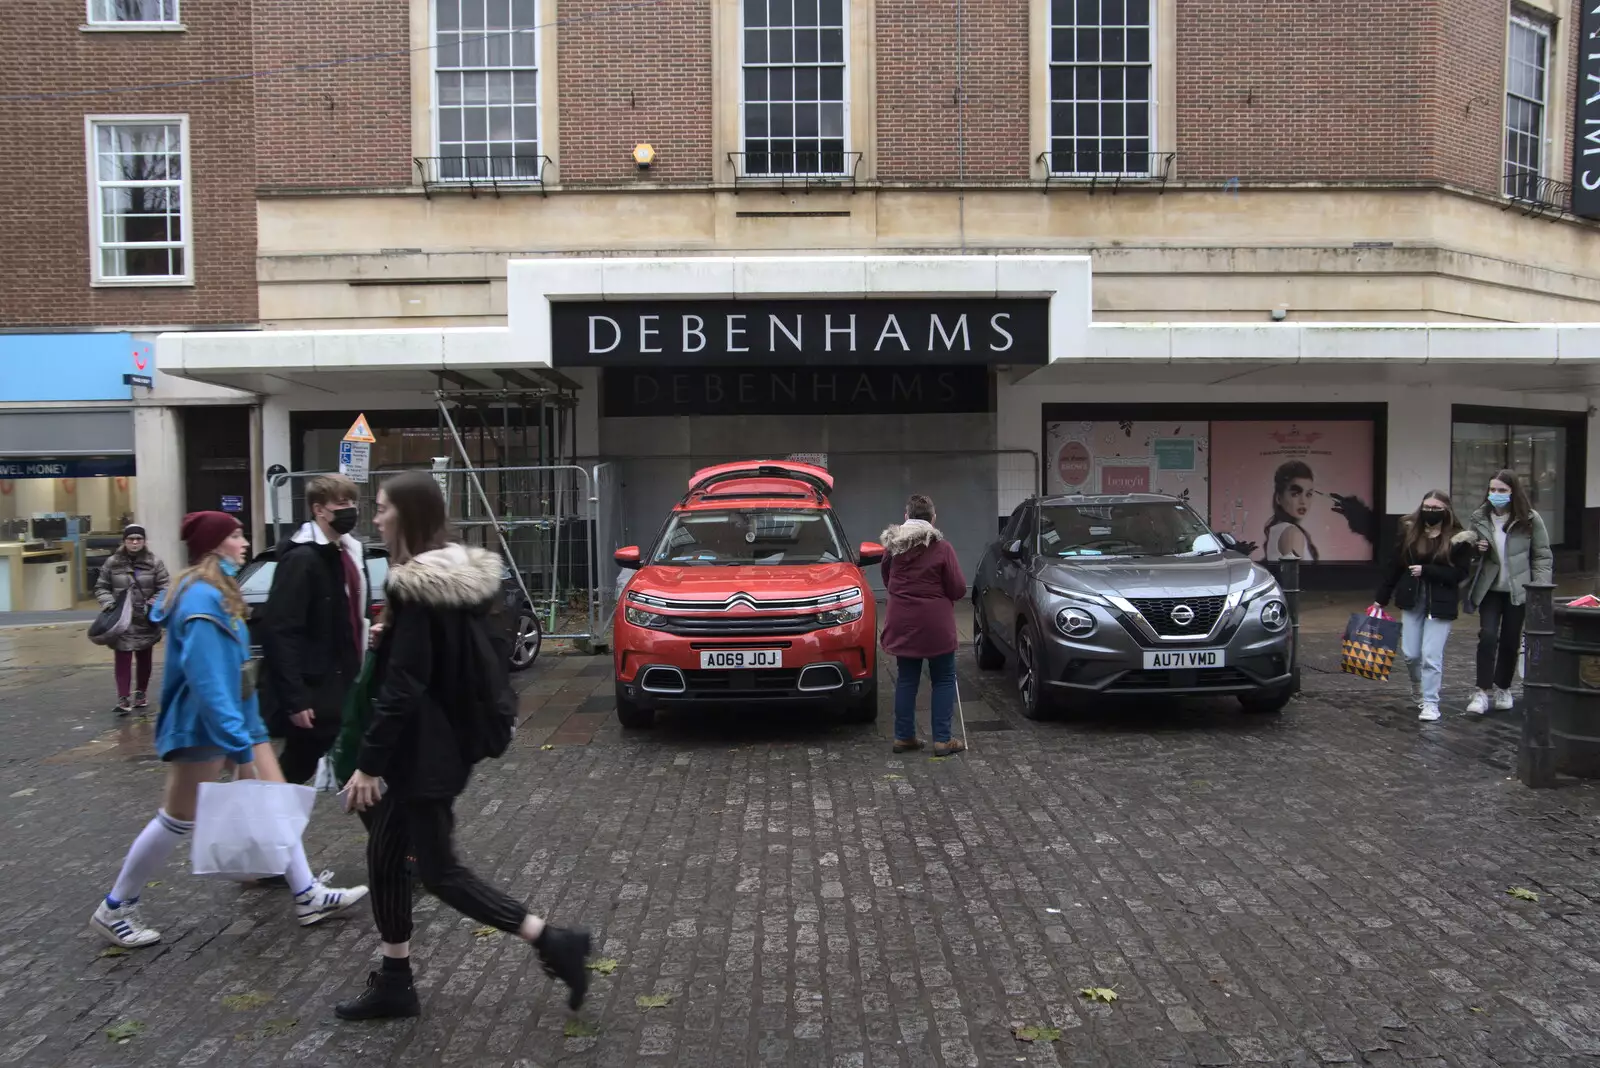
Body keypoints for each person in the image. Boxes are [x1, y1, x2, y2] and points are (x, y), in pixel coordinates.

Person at [335, 473, 590, 1021]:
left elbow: (405, 687)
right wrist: (392, 638)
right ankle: (395, 979)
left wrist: (367, 765)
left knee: (439, 872)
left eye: (381, 509)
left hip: (421, 753)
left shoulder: (415, 588)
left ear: (407, 515)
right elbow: (460, 657)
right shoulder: (461, 577)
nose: (374, 518)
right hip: (443, 744)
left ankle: (554, 941)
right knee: (384, 857)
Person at [89, 511, 367, 949]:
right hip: (205, 727)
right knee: (177, 819)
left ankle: (308, 892)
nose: (243, 542)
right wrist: (239, 746)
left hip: (237, 723)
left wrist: (245, 734)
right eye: (235, 535)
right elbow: (208, 682)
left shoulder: (215, 591)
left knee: (275, 803)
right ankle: (116, 906)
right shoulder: (202, 599)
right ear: (215, 545)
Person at [260, 474, 367, 786]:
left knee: (311, 765)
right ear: (320, 510)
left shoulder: (349, 550)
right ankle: (266, 825)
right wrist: (296, 698)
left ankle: (271, 826)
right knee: (307, 764)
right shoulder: (303, 558)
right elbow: (281, 629)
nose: (350, 509)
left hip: (345, 680)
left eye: (353, 502)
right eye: (342, 504)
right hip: (318, 687)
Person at [1373, 491, 1478, 722]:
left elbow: (1460, 574)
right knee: (1410, 654)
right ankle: (1417, 685)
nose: (1430, 511)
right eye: (1427, 507)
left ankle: (1430, 702)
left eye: (1436, 507)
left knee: (1431, 655)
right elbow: (1395, 567)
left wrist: (1427, 571)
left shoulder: (1459, 539)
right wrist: (1381, 598)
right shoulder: (1410, 532)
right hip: (1412, 601)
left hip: (1440, 604)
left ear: (1447, 510)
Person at [880, 494, 968, 757]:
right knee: (943, 679)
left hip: (903, 620)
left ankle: (903, 736)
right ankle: (942, 740)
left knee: (906, 679)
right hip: (935, 624)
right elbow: (958, 588)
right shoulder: (942, 548)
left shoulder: (893, 548)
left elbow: (887, 579)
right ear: (933, 518)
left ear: (906, 517)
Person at [1465, 470, 1553, 715]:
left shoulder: (1530, 520)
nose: (1496, 494)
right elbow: (1467, 557)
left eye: (1502, 490)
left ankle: (1503, 687)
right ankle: (1481, 691)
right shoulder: (1480, 517)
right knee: (1488, 636)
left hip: (1519, 590)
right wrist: (1476, 549)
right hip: (1490, 589)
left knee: (1510, 640)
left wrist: (1540, 588)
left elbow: (1542, 556)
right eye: (1492, 490)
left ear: (1513, 492)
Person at [94, 524, 170, 715]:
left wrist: (152, 603)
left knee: (144, 658)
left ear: (144, 541)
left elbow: (165, 587)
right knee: (122, 657)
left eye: (138, 539)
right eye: (131, 539)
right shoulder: (112, 563)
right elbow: (101, 587)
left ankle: (141, 693)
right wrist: (109, 603)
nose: (135, 542)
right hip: (121, 619)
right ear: (124, 541)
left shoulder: (154, 562)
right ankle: (123, 697)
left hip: (145, 618)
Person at [1263, 460, 1320, 563]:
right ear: (1279, 498)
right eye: (1295, 494)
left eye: (1308, 494)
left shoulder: (1277, 530)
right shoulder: (1291, 533)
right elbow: (1296, 578)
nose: (1303, 502)